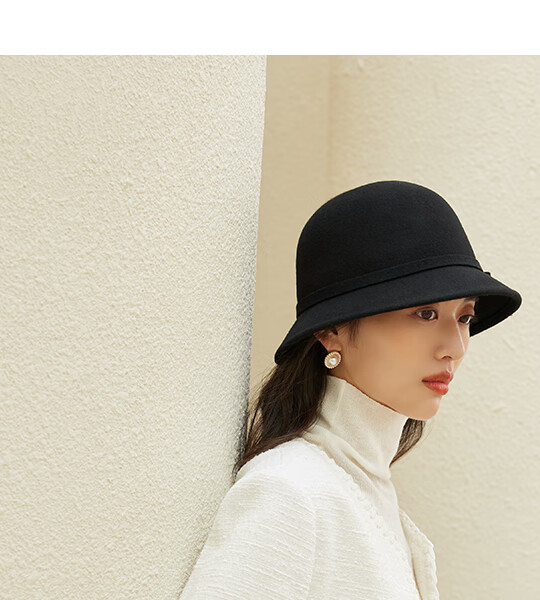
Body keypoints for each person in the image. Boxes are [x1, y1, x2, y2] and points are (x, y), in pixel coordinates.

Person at [179, 180, 522, 599]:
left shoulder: (367, 494)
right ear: (332, 331)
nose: (455, 347)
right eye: (426, 313)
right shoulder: (289, 490)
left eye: (465, 317)